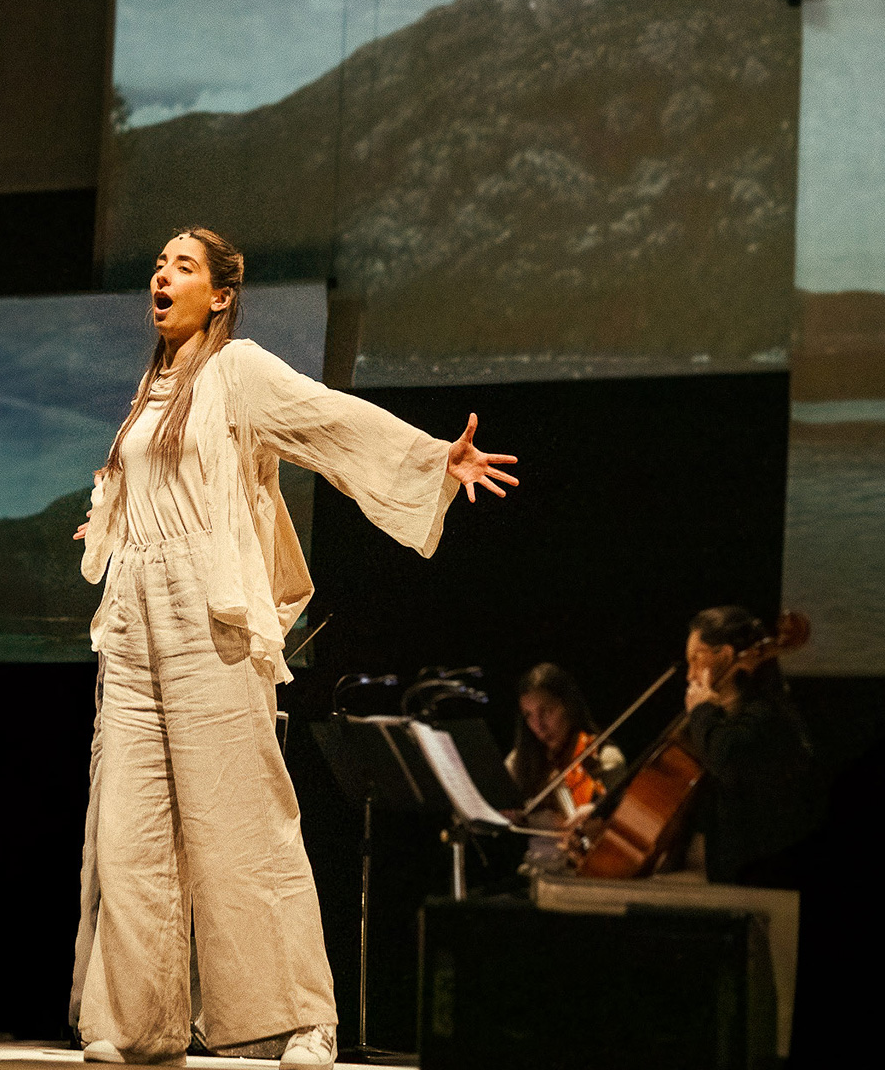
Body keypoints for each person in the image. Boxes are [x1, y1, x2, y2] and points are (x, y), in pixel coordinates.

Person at [68, 227, 518, 1069]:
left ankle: (302, 1018)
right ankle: (140, 1021)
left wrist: (433, 459)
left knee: (241, 819)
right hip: (133, 622)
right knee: (130, 825)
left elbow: (327, 419)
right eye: (160, 265)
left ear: (222, 295)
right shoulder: (151, 386)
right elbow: (145, 485)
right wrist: (111, 523)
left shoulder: (237, 371)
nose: (162, 277)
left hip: (211, 617)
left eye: (184, 267)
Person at [681, 605, 820, 886]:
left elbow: (726, 759)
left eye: (696, 660)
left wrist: (701, 711)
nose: (690, 675)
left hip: (768, 885)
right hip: (732, 879)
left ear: (727, 655)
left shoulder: (766, 715)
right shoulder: (723, 722)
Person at [505, 662, 625, 873]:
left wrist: (600, 820)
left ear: (568, 706)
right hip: (533, 872)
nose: (539, 726)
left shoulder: (604, 758)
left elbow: (622, 832)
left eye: (547, 711)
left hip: (587, 874)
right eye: (529, 715)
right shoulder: (519, 761)